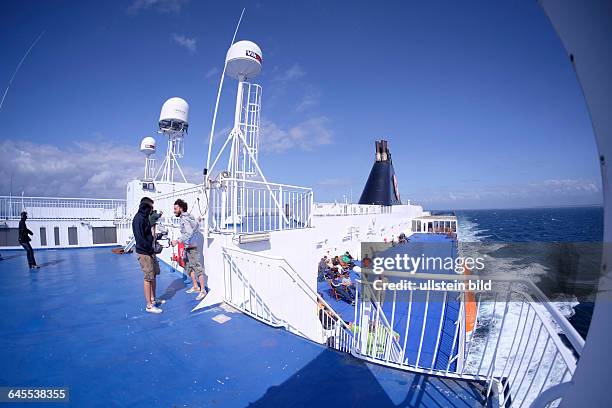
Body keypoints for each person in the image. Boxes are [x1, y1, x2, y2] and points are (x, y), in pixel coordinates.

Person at [171, 199, 207, 301]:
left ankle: (203, 290)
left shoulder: (184, 219)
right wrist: (198, 220)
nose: (174, 211)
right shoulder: (189, 217)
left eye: (176, 208)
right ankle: (195, 287)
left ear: (181, 208)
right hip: (188, 246)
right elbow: (195, 225)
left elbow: (189, 233)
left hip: (192, 247)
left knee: (197, 268)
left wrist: (177, 241)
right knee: (189, 267)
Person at [132, 197, 163, 314]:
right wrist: (151, 249)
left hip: (150, 252)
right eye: (150, 207)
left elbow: (148, 235)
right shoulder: (138, 219)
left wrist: (157, 239)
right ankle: (149, 305)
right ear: (145, 206)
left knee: (153, 275)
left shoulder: (144, 218)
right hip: (145, 253)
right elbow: (140, 239)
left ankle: (153, 299)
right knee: (148, 277)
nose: (151, 210)